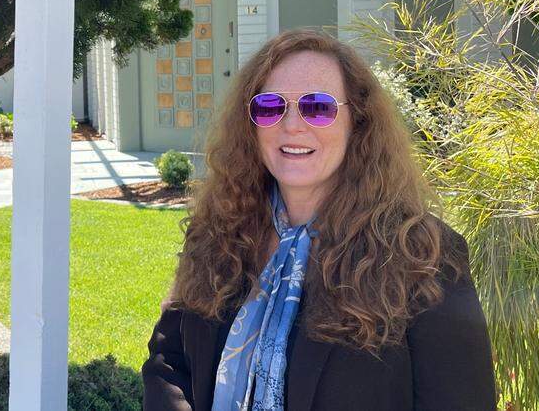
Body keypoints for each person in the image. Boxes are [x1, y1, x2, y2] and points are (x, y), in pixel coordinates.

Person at [142, 29, 497, 411]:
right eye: (270, 106)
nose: (292, 125)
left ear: (357, 123)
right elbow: (169, 359)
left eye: (318, 107)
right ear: (252, 123)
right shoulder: (218, 232)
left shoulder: (423, 255)